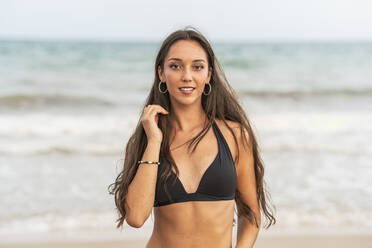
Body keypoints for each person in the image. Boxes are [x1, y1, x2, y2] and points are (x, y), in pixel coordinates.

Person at [108, 27, 276, 248]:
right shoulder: (149, 138)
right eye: (175, 66)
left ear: (208, 75)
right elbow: (136, 217)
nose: (187, 76)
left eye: (197, 67)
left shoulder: (235, 135)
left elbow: (251, 213)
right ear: (161, 73)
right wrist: (154, 142)